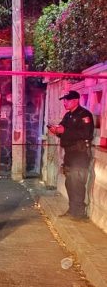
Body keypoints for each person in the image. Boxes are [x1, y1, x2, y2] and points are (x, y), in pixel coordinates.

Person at [48, 90, 95, 220]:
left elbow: (86, 134)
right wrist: (56, 131)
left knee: (77, 182)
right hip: (69, 153)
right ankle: (72, 209)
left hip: (80, 154)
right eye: (64, 100)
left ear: (76, 100)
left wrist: (64, 130)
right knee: (69, 183)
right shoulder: (68, 115)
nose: (64, 103)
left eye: (67, 100)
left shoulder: (84, 115)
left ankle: (79, 213)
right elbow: (63, 131)